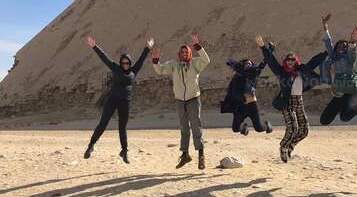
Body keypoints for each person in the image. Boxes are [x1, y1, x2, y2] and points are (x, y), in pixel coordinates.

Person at [255, 35, 327, 163]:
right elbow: (271, 61)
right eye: (288, 60)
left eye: (293, 59)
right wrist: (263, 47)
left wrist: (327, 52)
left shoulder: (302, 70)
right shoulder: (282, 72)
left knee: (304, 130)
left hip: (299, 102)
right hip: (287, 102)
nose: (290, 62)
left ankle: (291, 146)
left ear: (296, 60)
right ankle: (283, 147)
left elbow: (315, 61)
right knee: (293, 128)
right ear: (285, 61)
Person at [83, 36, 154, 163]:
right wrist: (94, 46)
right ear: (121, 63)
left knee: (122, 127)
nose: (125, 65)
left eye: (127, 63)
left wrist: (148, 48)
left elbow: (142, 60)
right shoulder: (116, 68)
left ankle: (124, 151)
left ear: (130, 63)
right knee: (102, 124)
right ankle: (90, 146)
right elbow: (104, 58)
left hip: (125, 103)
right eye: (123, 62)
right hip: (112, 100)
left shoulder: (134, 71)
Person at [151, 34, 210, 170]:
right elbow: (160, 70)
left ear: (189, 53)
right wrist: (155, 59)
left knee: (196, 126)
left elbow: (207, 60)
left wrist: (198, 46)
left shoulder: (195, 63)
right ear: (179, 54)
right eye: (182, 52)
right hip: (180, 100)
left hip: (193, 99)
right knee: (184, 128)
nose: (184, 54)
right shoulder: (174, 64)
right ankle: (185, 154)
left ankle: (201, 155)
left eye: (186, 52)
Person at [319, 13, 357, 125]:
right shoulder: (333, 56)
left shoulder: (350, 57)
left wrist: (353, 38)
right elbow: (328, 43)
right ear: (336, 48)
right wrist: (325, 26)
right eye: (340, 45)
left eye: (345, 46)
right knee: (324, 121)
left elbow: (352, 47)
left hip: (349, 88)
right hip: (338, 89)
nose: (343, 47)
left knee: (345, 117)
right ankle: (342, 107)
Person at [221, 57, 273, 135]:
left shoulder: (253, 75)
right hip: (241, 106)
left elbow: (262, 65)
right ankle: (244, 127)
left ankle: (267, 125)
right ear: (242, 65)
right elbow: (233, 92)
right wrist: (242, 100)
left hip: (252, 105)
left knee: (259, 128)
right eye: (246, 63)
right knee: (235, 129)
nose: (248, 64)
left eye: (250, 63)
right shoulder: (237, 77)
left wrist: (269, 50)